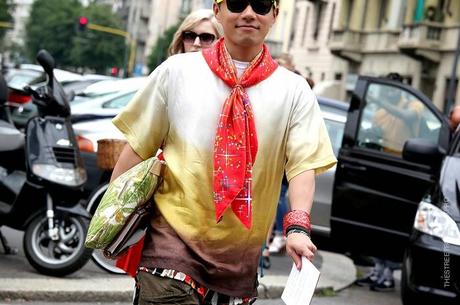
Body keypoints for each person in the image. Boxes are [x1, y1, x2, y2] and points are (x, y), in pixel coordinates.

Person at [112, 0, 337, 304]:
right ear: (218, 11)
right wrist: (111, 216)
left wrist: (298, 228)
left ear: (274, 15)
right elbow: (139, 146)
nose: (247, 13)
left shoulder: (295, 90)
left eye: (259, 5)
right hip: (170, 247)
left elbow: (301, 166)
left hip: (239, 260)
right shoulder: (176, 71)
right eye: (236, 3)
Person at [114, 8, 222, 276]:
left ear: (221, 41)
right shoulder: (169, 76)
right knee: (157, 279)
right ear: (180, 40)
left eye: (206, 37)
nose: (196, 43)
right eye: (190, 35)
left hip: (213, 208)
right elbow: (138, 143)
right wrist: (113, 203)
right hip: (165, 197)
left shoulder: (231, 89)